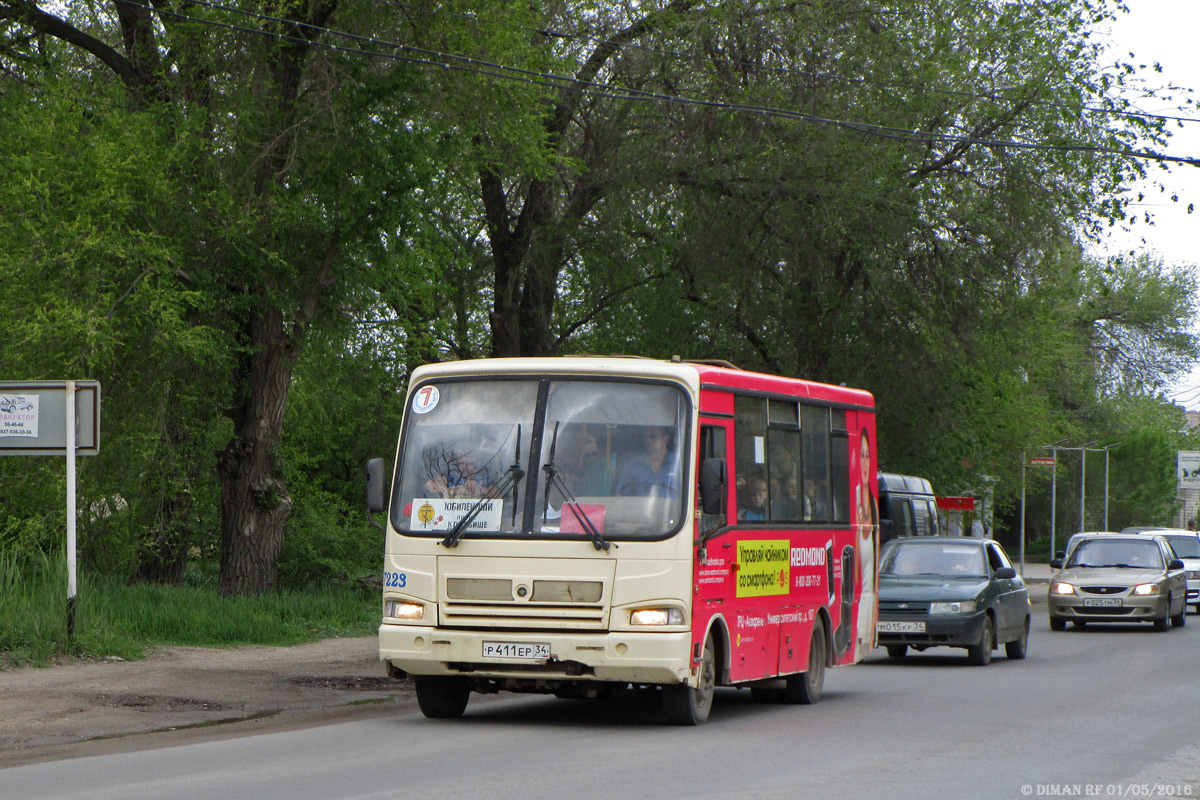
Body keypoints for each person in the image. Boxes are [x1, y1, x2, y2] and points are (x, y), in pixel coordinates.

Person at [615, 425, 680, 497]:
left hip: (671, 508)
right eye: (646, 437)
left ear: (665, 439)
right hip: (642, 508)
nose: (648, 441)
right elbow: (619, 497)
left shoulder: (680, 464)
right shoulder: (633, 466)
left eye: (653, 436)